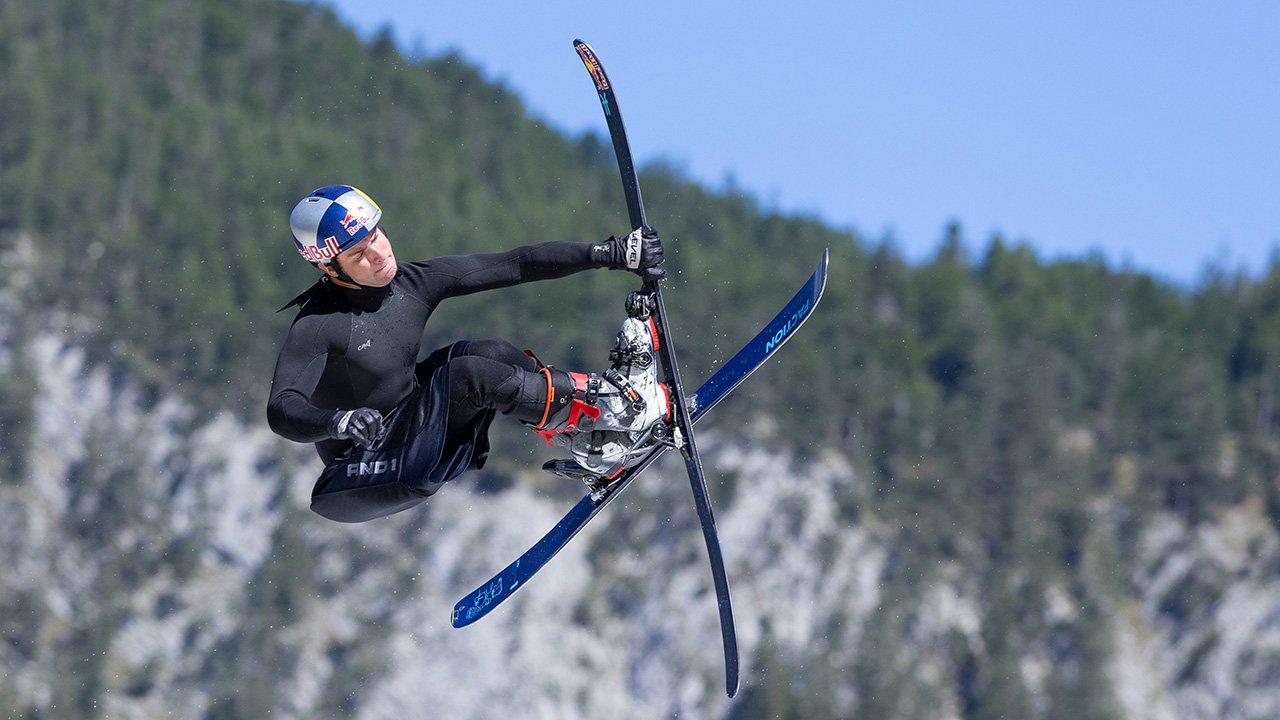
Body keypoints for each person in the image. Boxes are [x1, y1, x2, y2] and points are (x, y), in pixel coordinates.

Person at [267, 184, 670, 523]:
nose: (379, 254)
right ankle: (610, 405)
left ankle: (591, 440)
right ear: (330, 270)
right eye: (359, 254)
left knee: (489, 352)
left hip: (414, 432)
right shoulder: (319, 323)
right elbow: (281, 409)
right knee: (469, 376)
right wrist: (339, 422)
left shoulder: (413, 282)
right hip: (363, 472)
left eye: (377, 236)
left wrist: (611, 254)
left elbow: (513, 264)